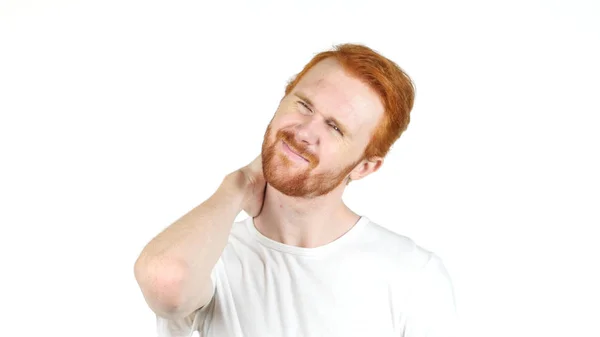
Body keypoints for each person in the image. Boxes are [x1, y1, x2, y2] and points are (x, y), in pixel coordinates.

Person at [134, 43, 458, 337]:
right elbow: (166, 283)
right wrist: (238, 186)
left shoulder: (412, 277)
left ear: (364, 167)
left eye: (334, 127)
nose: (305, 132)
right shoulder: (210, 252)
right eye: (304, 105)